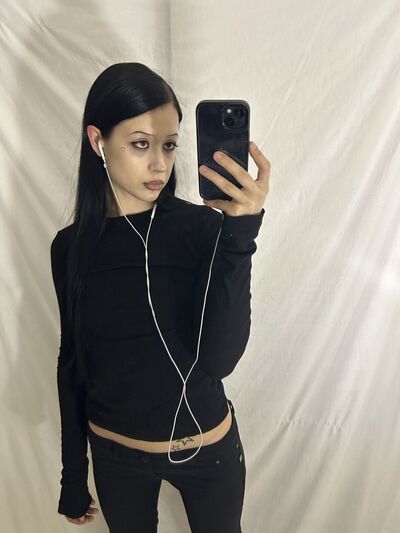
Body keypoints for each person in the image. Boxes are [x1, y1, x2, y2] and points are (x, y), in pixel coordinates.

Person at [50, 62, 270, 532]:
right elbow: (73, 361)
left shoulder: (202, 229)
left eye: (169, 144)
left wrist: (240, 235)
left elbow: (219, 360)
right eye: (140, 144)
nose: (159, 164)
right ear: (98, 141)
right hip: (115, 458)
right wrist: (73, 474)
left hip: (206, 453)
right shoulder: (70, 248)